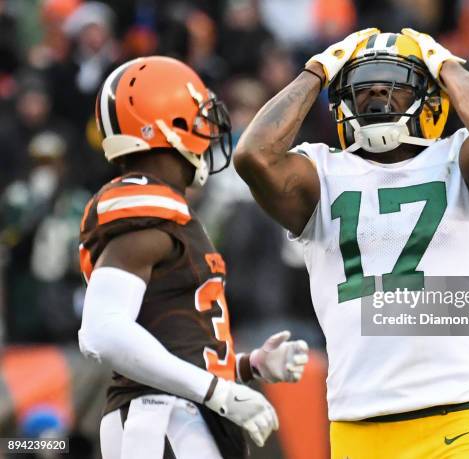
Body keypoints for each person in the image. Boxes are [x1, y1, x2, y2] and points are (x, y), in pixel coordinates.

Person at [234, 28, 469, 458]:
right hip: (358, 427)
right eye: (362, 90)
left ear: (430, 98)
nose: (375, 100)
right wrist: (317, 70)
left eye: (394, 88)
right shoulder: (321, 173)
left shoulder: (459, 160)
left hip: (455, 417)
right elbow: (251, 155)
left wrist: (444, 65)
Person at [77, 56, 309, 459]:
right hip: (159, 419)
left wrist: (247, 366)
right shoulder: (144, 215)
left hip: (177, 416)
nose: (208, 131)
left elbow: (174, 343)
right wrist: (217, 391)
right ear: (170, 125)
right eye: (198, 118)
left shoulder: (168, 213)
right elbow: (102, 331)